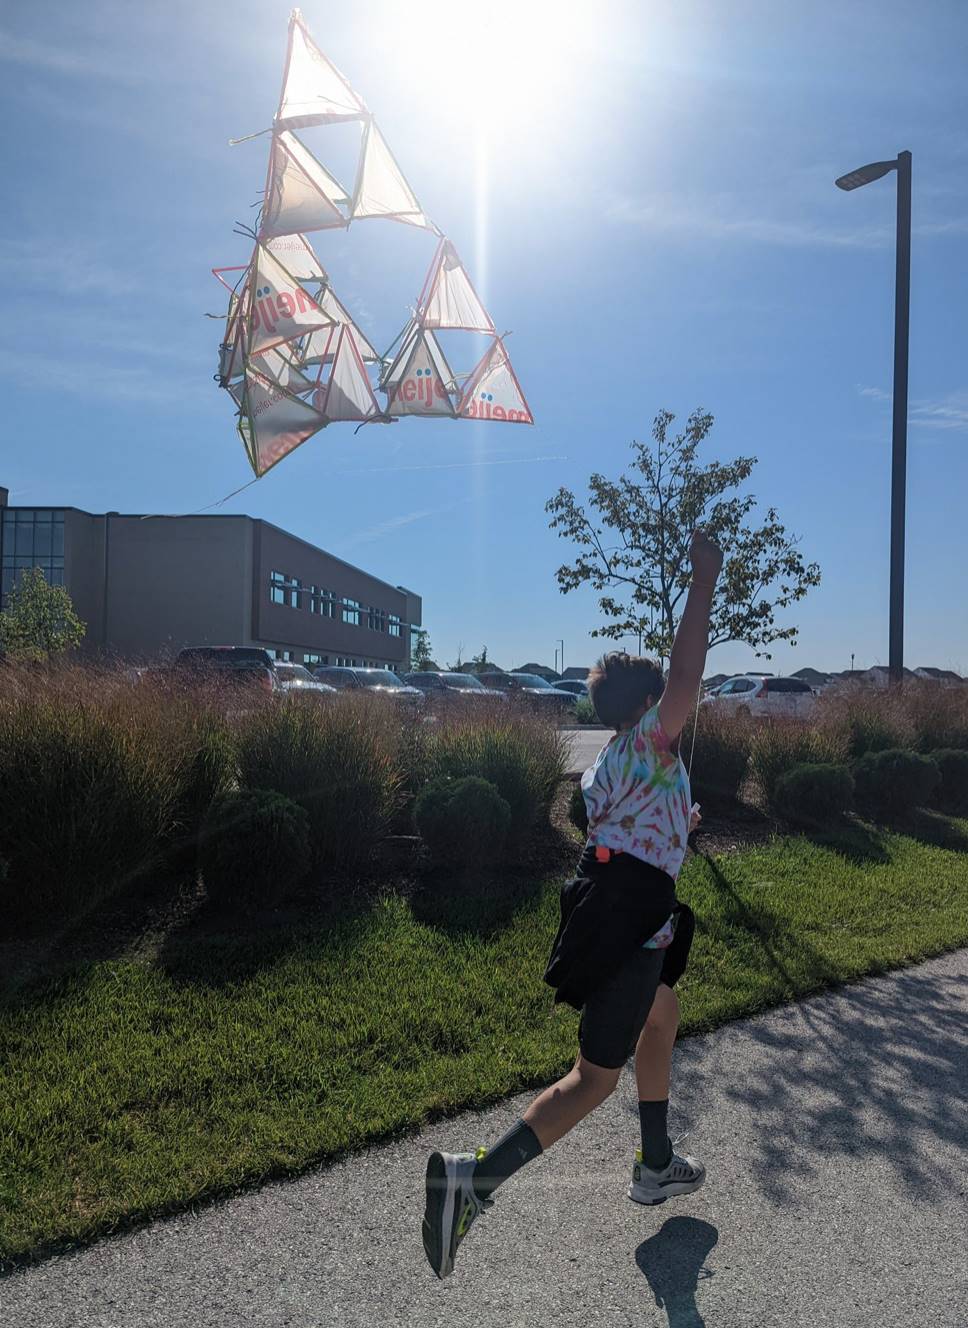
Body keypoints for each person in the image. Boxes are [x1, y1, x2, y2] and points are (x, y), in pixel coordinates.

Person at [421, 528, 723, 1279]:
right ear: (652, 706)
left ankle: (655, 1164)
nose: (684, 707)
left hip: (612, 906)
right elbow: (688, 669)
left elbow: (608, 826)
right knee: (593, 1078)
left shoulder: (612, 759)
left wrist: (676, 826)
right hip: (628, 920)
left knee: (664, 1013)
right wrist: (704, 578)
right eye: (672, 703)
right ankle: (472, 1182)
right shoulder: (655, 743)